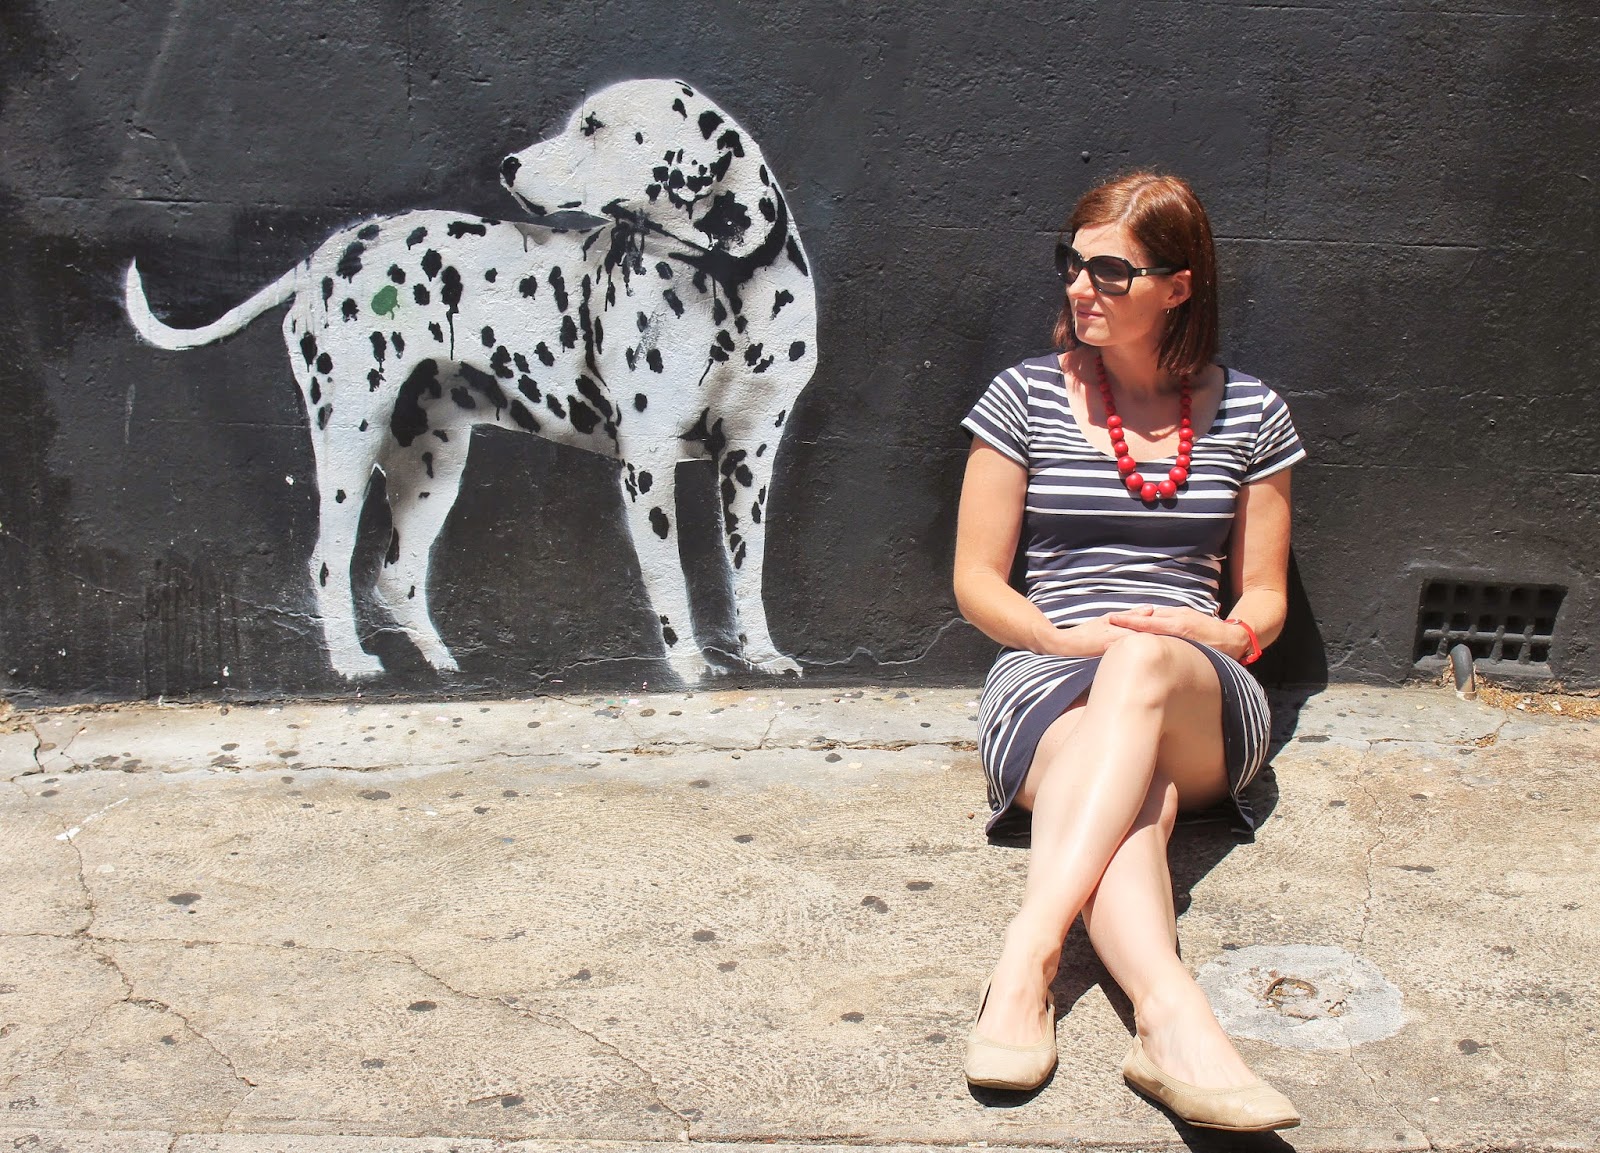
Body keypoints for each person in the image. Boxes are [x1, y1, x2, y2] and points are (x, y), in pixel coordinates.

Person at [952, 171, 1305, 1132]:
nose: (1081, 287)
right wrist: (1058, 636)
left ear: (1178, 287)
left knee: (1141, 662)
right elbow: (977, 581)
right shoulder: (1024, 396)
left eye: (1111, 272)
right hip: (1049, 676)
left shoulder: (1253, 412)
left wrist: (1222, 632)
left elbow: (1264, 595)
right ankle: (1171, 1018)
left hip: (1193, 685)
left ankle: (1027, 956)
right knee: (1131, 805)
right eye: (1073, 264)